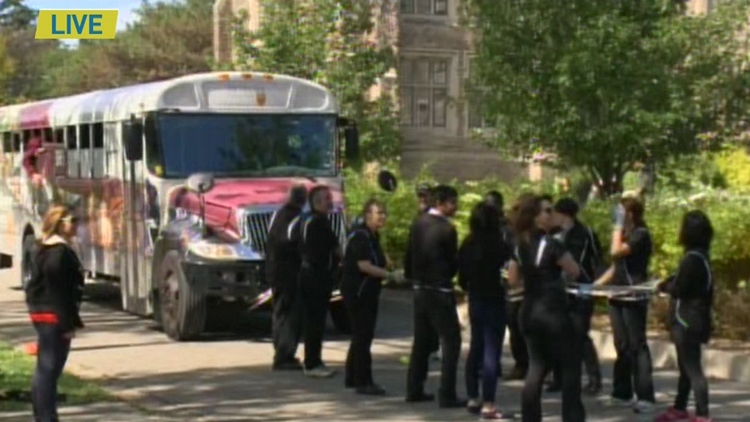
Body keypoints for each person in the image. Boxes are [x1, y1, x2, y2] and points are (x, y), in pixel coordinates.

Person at [506, 194, 586, 422]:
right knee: (570, 363)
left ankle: (530, 417)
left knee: (537, 366)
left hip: (529, 310)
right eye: (547, 211)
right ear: (536, 217)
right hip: (552, 310)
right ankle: (572, 416)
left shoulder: (519, 243)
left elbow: (512, 278)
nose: (552, 215)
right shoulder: (552, 243)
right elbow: (574, 270)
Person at [404, 185, 465, 408]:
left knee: (421, 340)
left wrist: (412, 276)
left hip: (420, 289)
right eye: (453, 202)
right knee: (451, 341)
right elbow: (452, 263)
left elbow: (409, 255)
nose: (456, 206)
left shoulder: (418, 223)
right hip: (440, 290)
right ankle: (447, 393)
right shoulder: (446, 229)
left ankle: (414, 388)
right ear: (441, 202)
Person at [594, 197, 656, 413]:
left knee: (637, 344)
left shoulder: (640, 235)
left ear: (630, 214)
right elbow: (615, 266)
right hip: (616, 294)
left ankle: (646, 395)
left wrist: (617, 227)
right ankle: (622, 392)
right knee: (621, 345)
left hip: (633, 294)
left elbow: (615, 252)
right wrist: (595, 286)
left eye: (621, 211)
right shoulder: (626, 235)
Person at [25, 205, 84, 422]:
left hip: (41, 314)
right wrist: (68, 323)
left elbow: (31, 288)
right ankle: (46, 417)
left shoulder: (40, 248)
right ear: (62, 224)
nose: (77, 224)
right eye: (74, 220)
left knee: (45, 369)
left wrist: (34, 310)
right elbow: (62, 291)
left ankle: (43, 414)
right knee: (49, 371)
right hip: (55, 317)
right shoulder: (60, 253)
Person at [654, 211, 714, 422]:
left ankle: (702, 413)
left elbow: (681, 288)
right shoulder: (700, 256)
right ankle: (680, 407)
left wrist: (664, 287)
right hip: (696, 318)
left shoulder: (692, 259)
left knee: (692, 368)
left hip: (686, 320)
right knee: (685, 366)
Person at [343, 199, 403, 395]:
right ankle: (364, 381)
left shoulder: (372, 235)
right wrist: (390, 276)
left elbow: (379, 259)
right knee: (363, 336)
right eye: (379, 213)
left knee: (360, 335)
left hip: (368, 291)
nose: (383, 217)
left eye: (385, 213)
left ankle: (352, 376)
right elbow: (364, 265)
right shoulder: (361, 236)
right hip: (359, 291)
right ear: (368, 214)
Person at [459, 202, 513, 419]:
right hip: (496, 299)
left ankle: (473, 396)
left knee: (475, 347)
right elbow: (508, 274)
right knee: (492, 352)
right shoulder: (501, 245)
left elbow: (461, 276)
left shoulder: (468, 243)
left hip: (475, 298)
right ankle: (489, 402)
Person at [547, 198, 603, 395]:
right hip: (558, 290)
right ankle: (559, 378)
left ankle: (594, 378)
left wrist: (594, 282)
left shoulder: (585, 233)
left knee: (580, 334)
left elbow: (597, 259)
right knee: (557, 334)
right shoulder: (553, 234)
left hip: (581, 288)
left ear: (564, 214)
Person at [294, 185, 341, 378]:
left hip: (307, 273)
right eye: (326, 199)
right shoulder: (319, 222)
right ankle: (312, 363)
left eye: (330, 198)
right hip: (316, 275)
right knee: (315, 321)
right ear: (315, 202)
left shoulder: (305, 220)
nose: (330, 202)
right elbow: (334, 249)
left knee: (314, 321)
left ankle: (314, 359)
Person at [267, 185, 308, 371]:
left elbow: (271, 242)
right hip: (290, 273)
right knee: (291, 315)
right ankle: (285, 355)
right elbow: (294, 246)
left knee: (280, 312)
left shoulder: (278, 214)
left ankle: (281, 352)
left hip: (275, 270)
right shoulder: (298, 219)